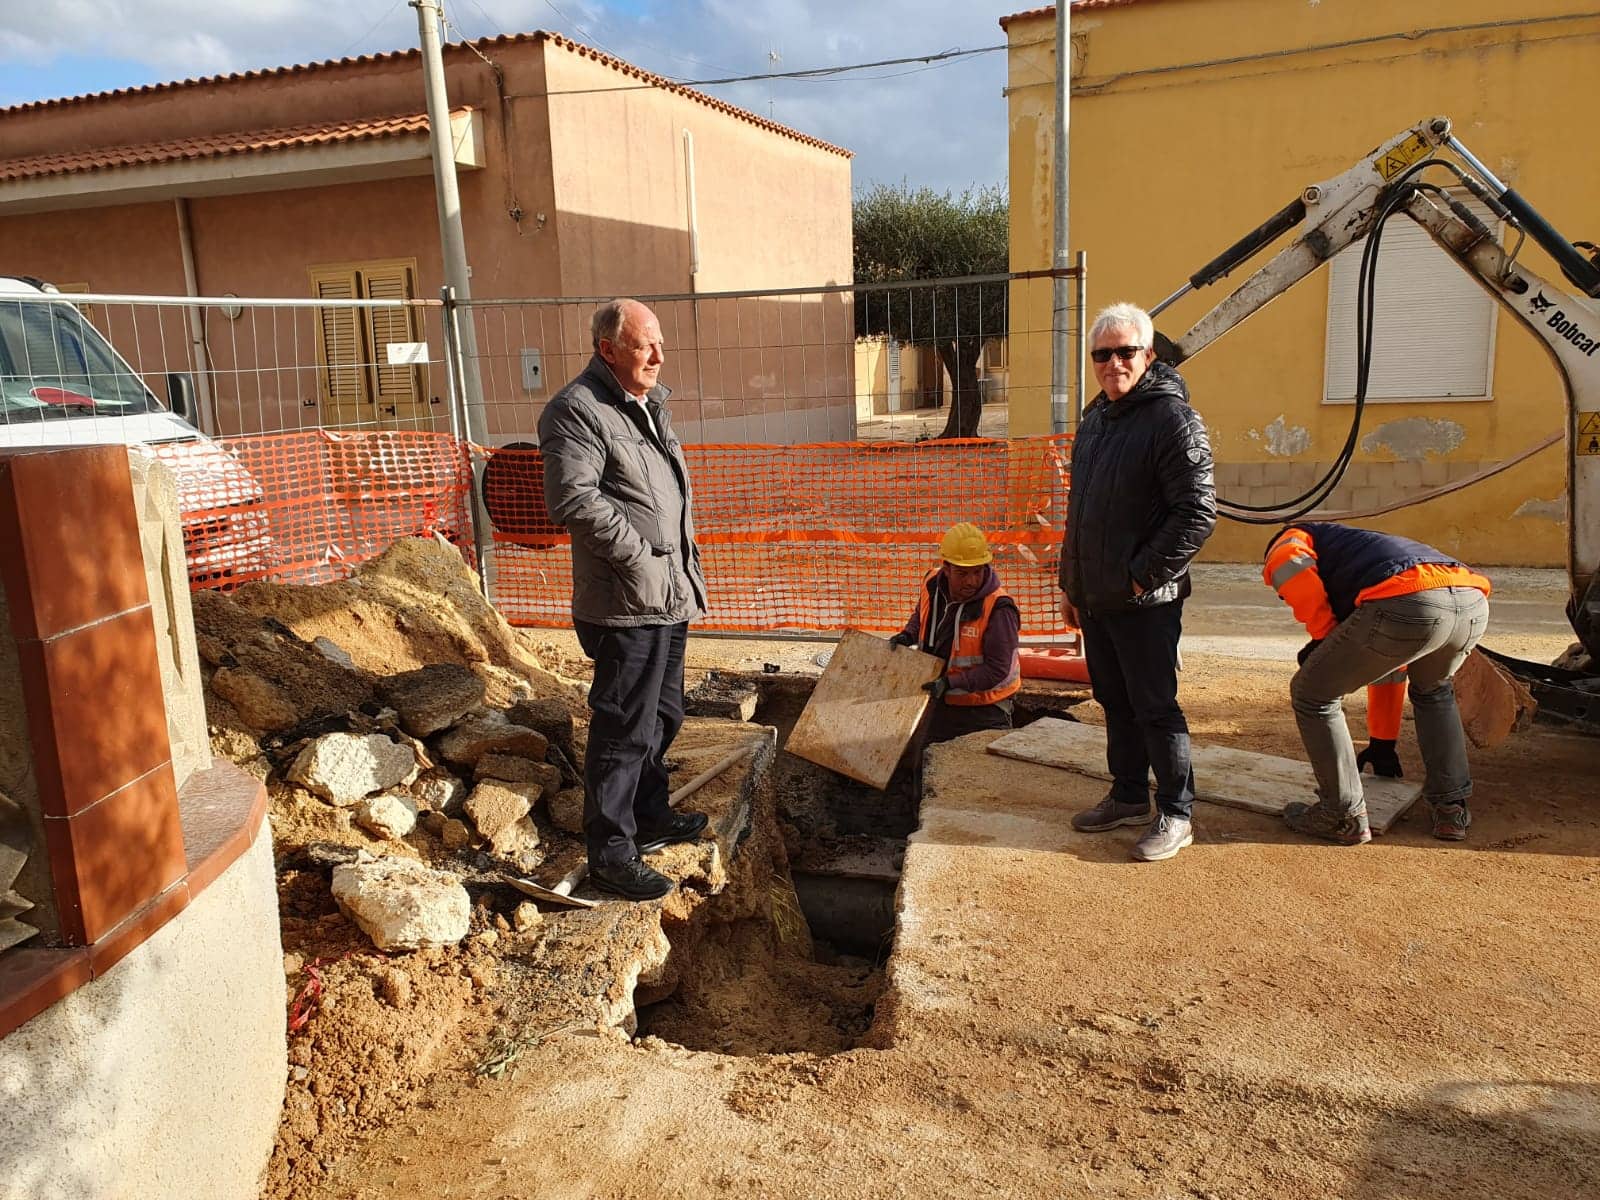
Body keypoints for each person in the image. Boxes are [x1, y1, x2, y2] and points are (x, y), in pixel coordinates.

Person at [538, 299, 710, 901]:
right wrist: (639, 559)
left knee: (664, 715)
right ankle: (612, 852)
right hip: (625, 600)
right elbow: (574, 500)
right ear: (607, 349)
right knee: (624, 727)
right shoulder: (576, 410)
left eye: (660, 343)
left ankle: (650, 813)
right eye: (644, 345)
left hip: (668, 593)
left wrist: (674, 571)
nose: (658, 356)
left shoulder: (646, 404)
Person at [1058, 302, 1217, 862]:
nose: (1113, 364)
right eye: (1102, 355)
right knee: (1114, 700)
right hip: (1096, 597)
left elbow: (1196, 514)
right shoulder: (1096, 421)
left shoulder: (1173, 420)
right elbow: (1080, 512)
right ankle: (1127, 794)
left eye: (1125, 352)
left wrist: (1137, 580)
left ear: (1148, 355)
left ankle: (1176, 812)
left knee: (1155, 706)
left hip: (1145, 601)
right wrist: (1072, 584)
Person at [1263, 522, 1492, 844]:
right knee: (1434, 691)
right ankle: (1451, 808)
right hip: (1470, 602)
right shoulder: (1362, 556)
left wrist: (1323, 636)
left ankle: (1341, 816)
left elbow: (1290, 566)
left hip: (1410, 601)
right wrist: (1383, 743)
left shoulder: (1288, 541)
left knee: (1312, 694)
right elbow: (1390, 663)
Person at [890, 522, 1021, 743]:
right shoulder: (932, 583)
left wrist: (950, 683)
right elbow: (922, 615)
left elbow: (997, 670)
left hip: (984, 709)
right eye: (962, 573)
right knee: (923, 757)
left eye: (977, 572)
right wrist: (908, 634)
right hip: (940, 698)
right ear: (947, 568)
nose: (971, 581)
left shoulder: (999, 609)